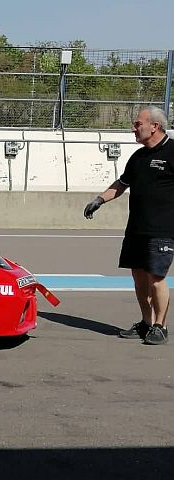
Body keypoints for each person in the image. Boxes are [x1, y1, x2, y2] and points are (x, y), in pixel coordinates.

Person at [83, 105, 173, 345]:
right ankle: (146, 323)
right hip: (136, 229)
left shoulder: (173, 152)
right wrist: (99, 200)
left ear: (154, 126)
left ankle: (160, 327)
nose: (134, 128)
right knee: (139, 277)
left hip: (162, 230)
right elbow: (121, 184)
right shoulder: (138, 157)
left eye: (138, 124)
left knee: (156, 278)